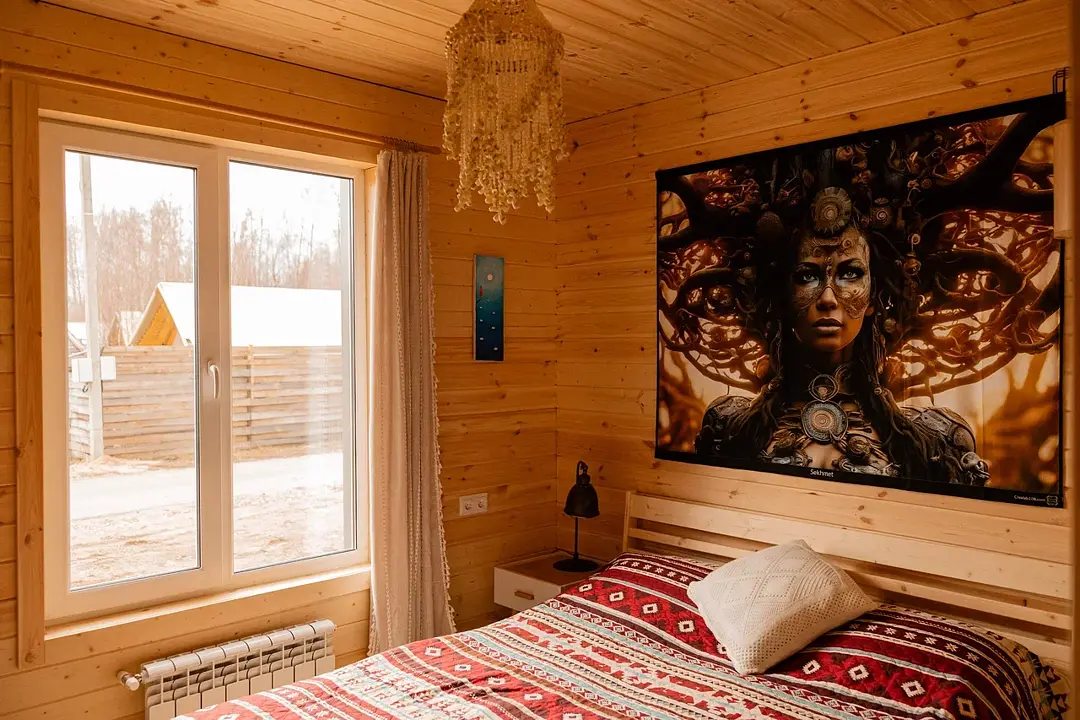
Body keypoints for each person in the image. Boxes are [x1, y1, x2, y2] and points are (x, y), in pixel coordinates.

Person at [694, 186, 990, 486]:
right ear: (784, 296)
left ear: (873, 297)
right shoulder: (727, 425)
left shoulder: (939, 439)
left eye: (850, 273)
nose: (827, 298)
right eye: (807, 276)